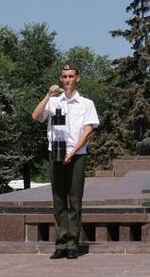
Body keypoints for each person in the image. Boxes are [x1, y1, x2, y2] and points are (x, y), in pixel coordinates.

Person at [31, 63, 99, 259]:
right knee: (59, 199)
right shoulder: (54, 102)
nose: (67, 80)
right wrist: (47, 95)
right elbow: (36, 116)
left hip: (77, 155)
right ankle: (61, 243)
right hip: (57, 153)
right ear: (61, 79)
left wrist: (73, 151)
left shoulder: (86, 103)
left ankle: (73, 243)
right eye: (64, 77)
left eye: (71, 76)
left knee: (75, 199)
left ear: (78, 78)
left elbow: (88, 131)